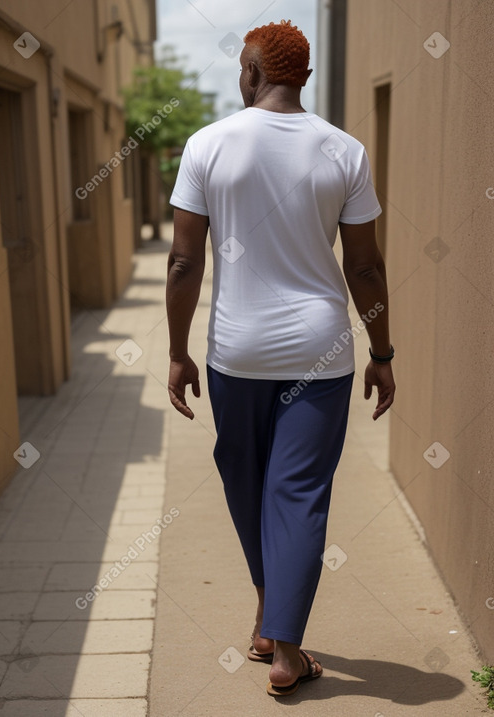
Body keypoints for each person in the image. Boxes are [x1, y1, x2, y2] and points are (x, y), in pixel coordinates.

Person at [166, 19, 395, 697]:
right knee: (295, 495)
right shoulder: (343, 151)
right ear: (303, 77)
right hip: (321, 355)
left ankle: (278, 628)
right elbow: (366, 265)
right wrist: (383, 349)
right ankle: (280, 638)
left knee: (247, 480)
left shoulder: (208, 145)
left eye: (242, 66)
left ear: (253, 73)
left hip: (236, 353)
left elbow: (183, 260)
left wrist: (178, 353)